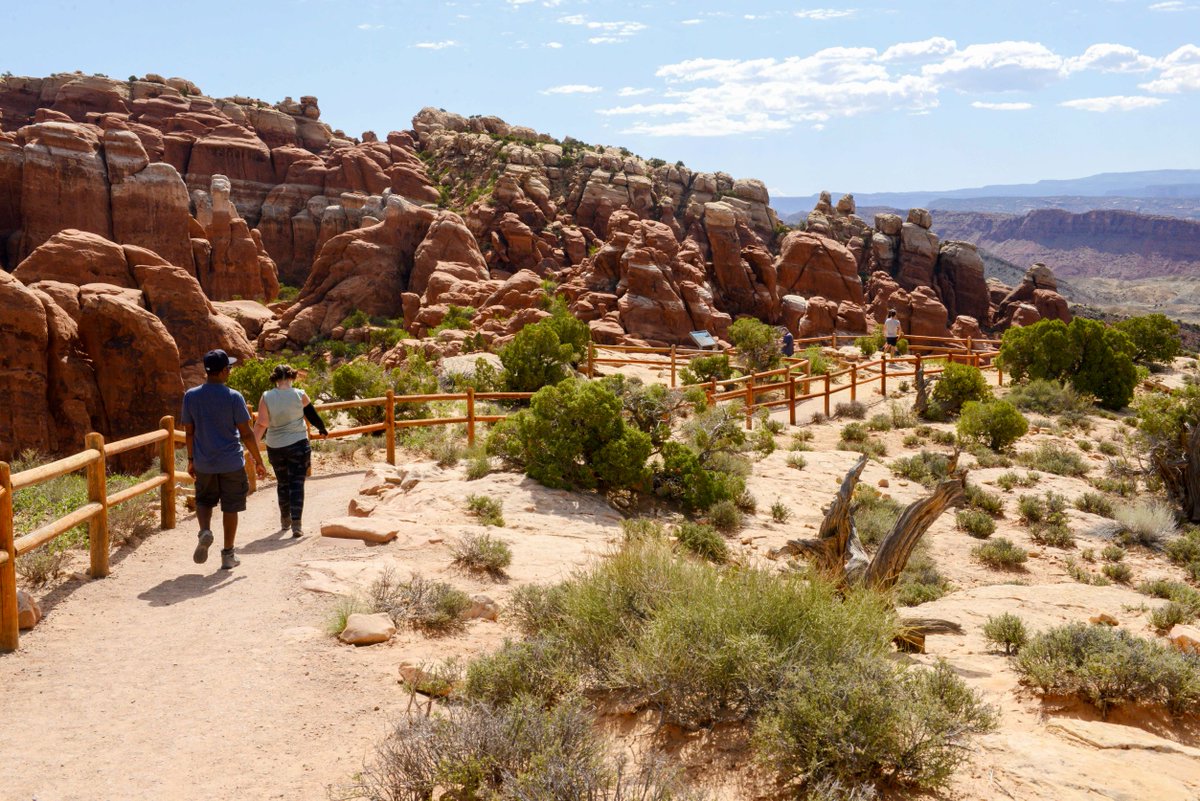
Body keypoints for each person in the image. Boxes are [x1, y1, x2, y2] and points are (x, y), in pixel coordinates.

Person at [181, 349, 267, 570]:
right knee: (231, 507)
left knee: (203, 500)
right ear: (220, 372)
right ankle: (228, 554)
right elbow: (247, 433)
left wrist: (191, 459)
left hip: (204, 462)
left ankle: (205, 531)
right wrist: (258, 460)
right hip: (231, 462)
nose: (230, 370)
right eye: (228, 367)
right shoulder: (233, 397)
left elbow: (189, 431)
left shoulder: (191, 396)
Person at [253, 364, 328, 538]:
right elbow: (312, 415)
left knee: (283, 482)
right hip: (298, 444)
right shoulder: (299, 394)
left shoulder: (266, 396)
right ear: (291, 377)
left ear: (275, 379)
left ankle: (285, 519)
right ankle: (296, 524)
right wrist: (322, 428)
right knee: (296, 483)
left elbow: (261, 423)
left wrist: (252, 447)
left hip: (275, 447)